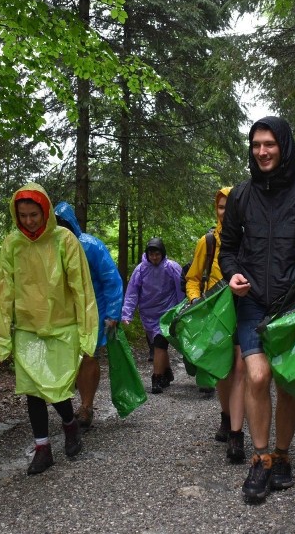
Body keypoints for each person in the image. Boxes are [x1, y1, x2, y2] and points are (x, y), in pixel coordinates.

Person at [219, 116, 295, 501]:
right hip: (252, 300)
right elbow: (228, 250)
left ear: (283, 147)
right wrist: (233, 274)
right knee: (257, 377)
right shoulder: (240, 196)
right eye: (255, 145)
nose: (262, 152)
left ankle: (283, 454)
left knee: (287, 383)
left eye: (269, 144)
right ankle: (261, 459)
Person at [0, 184, 98, 475]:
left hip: (63, 328)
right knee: (33, 391)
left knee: (56, 387)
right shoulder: (12, 244)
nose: (28, 221)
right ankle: (43, 448)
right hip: (28, 329)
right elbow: (3, 291)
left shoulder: (64, 240)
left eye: (34, 214)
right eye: (22, 215)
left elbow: (82, 289)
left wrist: (87, 331)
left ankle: (69, 424)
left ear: (45, 212)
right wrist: (2, 337)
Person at [184, 187, 247, 463]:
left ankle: (236, 434)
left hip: (244, 310)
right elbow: (193, 278)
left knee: (241, 370)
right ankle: (226, 416)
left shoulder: (250, 238)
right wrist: (197, 302)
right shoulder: (207, 242)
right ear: (217, 209)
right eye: (222, 207)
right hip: (215, 313)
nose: (226, 212)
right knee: (223, 372)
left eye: (231, 206)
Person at [54, 201, 124, 429]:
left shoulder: (91, 246)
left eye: (62, 223)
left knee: (88, 356)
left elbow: (111, 279)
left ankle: (86, 406)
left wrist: (113, 313)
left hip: (95, 310)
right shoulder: (49, 247)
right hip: (64, 313)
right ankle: (73, 401)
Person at [121, 237, 184, 394]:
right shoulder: (140, 270)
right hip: (148, 315)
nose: (154, 257)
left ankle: (156, 378)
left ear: (162, 253)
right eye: (151, 254)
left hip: (167, 314)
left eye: (157, 254)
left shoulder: (172, 267)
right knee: (158, 346)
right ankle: (167, 373)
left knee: (159, 343)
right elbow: (132, 293)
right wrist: (127, 314)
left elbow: (181, 289)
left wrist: (182, 310)